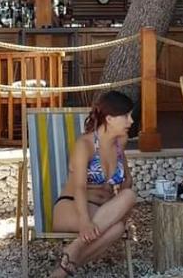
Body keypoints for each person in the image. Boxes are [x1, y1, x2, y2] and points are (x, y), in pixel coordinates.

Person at [50, 91, 137, 277]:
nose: (131, 121)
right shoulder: (86, 144)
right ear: (110, 119)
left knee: (119, 224)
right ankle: (73, 253)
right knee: (122, 214)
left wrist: (121, 209)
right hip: (72, 207)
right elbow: (80, 187)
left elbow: (127, 180)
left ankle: (65, 265)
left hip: (101, 210)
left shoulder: (119, 143)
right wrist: (84, 221)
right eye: (126, 116)